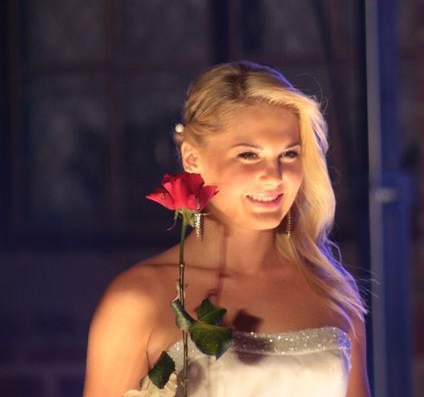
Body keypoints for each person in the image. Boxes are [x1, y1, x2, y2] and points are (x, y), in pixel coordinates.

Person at [83, 61, 370, 397]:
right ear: (192, 159)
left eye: (289, 154)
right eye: (248, 155)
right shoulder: (136, 301)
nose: (274, 176)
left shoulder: (329, 291)